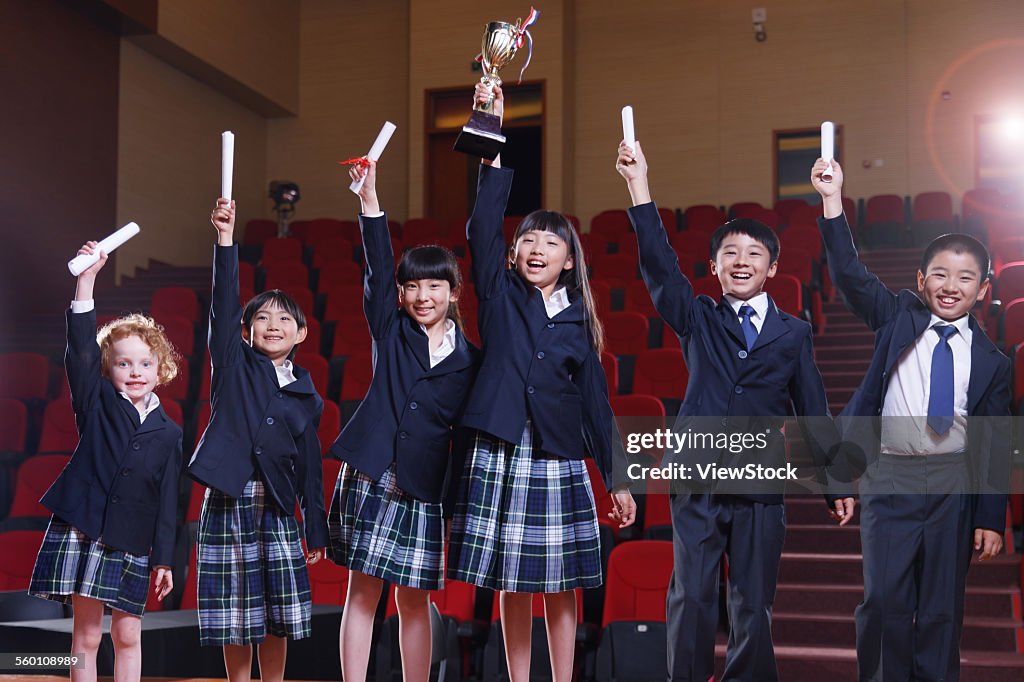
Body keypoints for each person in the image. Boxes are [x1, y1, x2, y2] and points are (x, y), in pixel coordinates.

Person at [616, 140, 855, 681]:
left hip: (759, 482)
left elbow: (812, 406)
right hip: (698, 476)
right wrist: (639, 185)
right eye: (730, 253)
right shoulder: (697, 315)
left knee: (753, 604)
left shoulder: (794, 333)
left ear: (771, 267)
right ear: (714, 266)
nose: (741, 261)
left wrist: (836, 481)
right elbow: (658, 263)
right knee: (693, 597)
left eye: (753, 254)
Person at [447, 83, 636, 682]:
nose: (535, 246)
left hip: (556, 454)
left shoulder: (581, 323)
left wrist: (618, 480)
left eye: (550, 241)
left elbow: (597, 406)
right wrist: (491, 128)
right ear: (513, 254)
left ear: (569, 259)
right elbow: (482, 225)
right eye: (527, 238)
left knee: (561, 583)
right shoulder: (500, 295)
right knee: (513, 580)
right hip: (499, 446)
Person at [812, 158, 1010, 681]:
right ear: (921, 280)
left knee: (942, 611)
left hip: (952, 490)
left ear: (983, 289)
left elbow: (992, 445)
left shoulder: (994, 362)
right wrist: (833, 202)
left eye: (966, 277)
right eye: (940, 274)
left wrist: (992, 517)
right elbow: (850, 277)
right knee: (883, 605)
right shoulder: (898, 315)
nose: (951, 285)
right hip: (891, 477)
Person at [329, 160, 480, 682]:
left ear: (454, 294)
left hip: (424, 485)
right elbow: (376, 264)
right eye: (413, 287)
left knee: (414, 601)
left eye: (435, 286)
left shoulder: (471, 359)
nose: (423, 296)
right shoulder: (389, 330)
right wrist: (370, 202)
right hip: (374, 472)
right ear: (400, 294)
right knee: (364, 591)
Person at [188, 198, 328, 682]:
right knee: (235, 616)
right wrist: (225, 240)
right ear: (246, 333)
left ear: (302, 333)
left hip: (278, 507)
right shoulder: (232, 365)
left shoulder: (306, 393)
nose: (273, 325)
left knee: (277, 618)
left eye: (285, 319)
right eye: (263, 318)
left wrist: (315, 524)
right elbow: (224, 305)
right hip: (231, 499)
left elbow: (310, 464)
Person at [29, 241, 181, 682]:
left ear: (160, 369)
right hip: (85, 528)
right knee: (87, 638)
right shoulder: (94, 401)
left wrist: (164, 559)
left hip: (131, 541)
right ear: (107, 369)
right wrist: (87, 279)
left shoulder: (170, 432)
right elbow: (79, 348)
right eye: (123, 363)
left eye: (144, 363)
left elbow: (168, 500)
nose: (134, 371)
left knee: (129, 636)